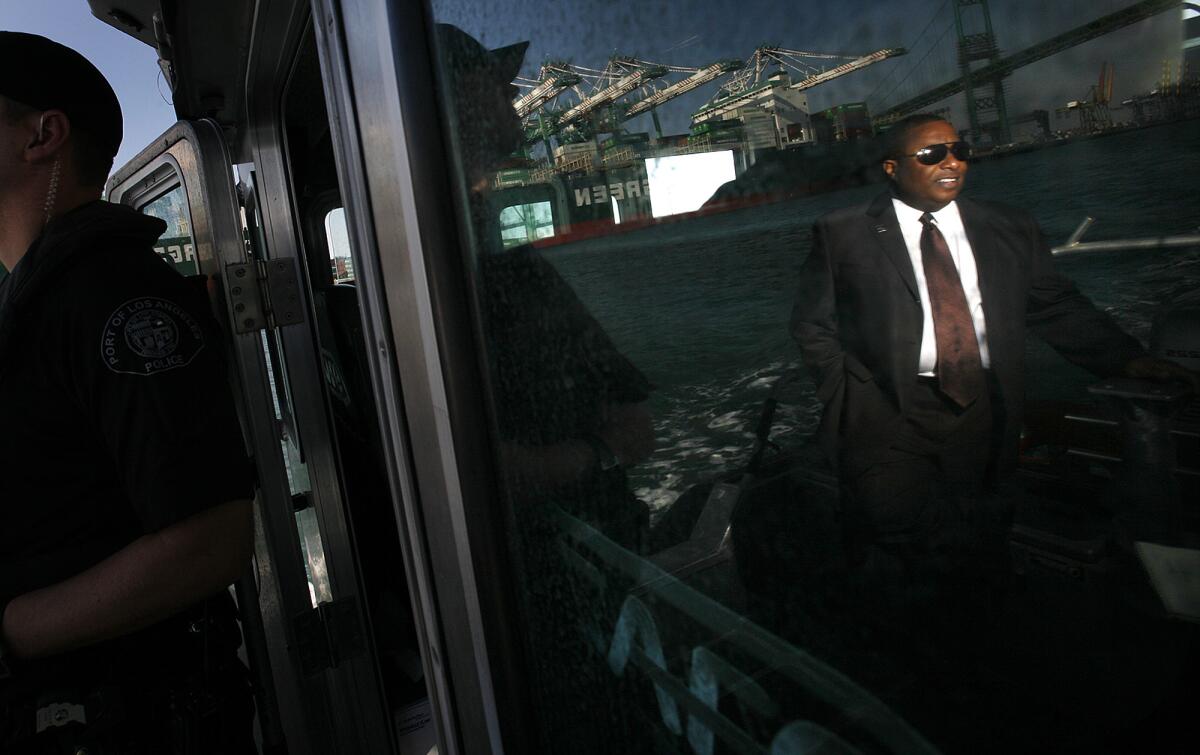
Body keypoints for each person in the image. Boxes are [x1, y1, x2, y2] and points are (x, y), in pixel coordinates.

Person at [0, 32, 256, 753]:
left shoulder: (115, 297)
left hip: (132, 718)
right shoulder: (41, 301)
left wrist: (10, 629)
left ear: (42, 136)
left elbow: (210, 540)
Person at [437, 24, 657, 551]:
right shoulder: (502, 274)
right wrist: (586, 458)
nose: (517, 100)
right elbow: (636, 431)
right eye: (502, 88)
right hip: (566, 553)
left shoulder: (458, 261)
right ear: (463, 98)